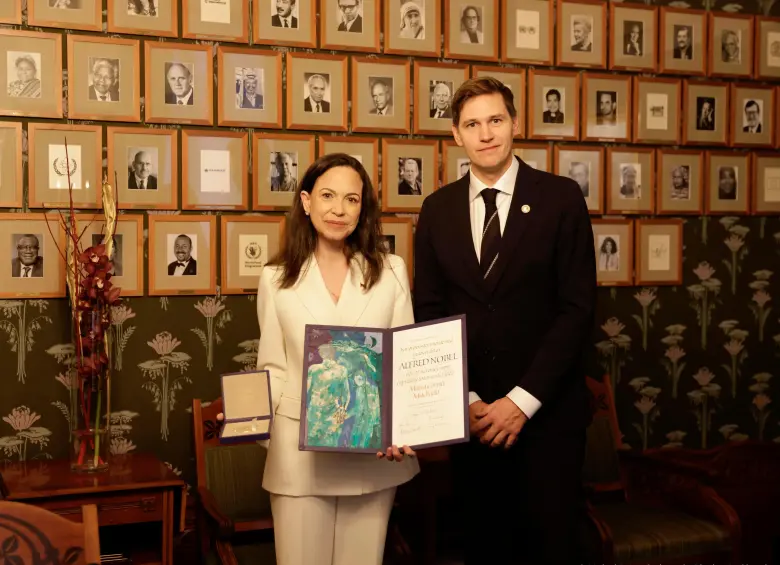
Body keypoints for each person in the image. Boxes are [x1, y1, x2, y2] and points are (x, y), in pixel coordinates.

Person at [413, 77, 596, 564]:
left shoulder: (560, 199)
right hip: (473, 425)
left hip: (547, 418)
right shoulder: (436, 211)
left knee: (551, 548)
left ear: (516, 124)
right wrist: (468, 399)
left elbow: (577, 310)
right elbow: (429, 314)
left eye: (495, 120)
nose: (486, 133)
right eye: (472, 124)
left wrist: (520, 402)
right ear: (456, 135)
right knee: (485, 548)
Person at [219, 153, 419, 565]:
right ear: (306, 202)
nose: (338, 210)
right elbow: (272, 367)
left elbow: (404, 365)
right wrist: (250, 419)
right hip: (299, 455)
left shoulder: (392, 271)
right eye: (327, 196)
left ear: (363, 208)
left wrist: (405, 428)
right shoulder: (276, 279)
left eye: (351, 199)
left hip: (372, 454)